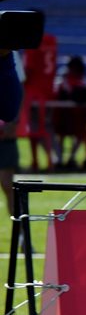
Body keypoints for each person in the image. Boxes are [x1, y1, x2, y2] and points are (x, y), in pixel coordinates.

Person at [21, 22, 57, 171]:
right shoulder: (51, 40)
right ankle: (50, 159)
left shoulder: (32, 42)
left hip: (34, 93)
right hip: (48, 90)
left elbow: (28, 70)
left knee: (35, 129)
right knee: (47, 127)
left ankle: (40, 160)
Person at [53, 55, 86, 170]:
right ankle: (61, 158)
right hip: (64, 122)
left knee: (82, 132)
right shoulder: (65, 82)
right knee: (77, 131)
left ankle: (67, 158)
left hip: (76, 123)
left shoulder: (79, 83)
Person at [0, 49, 20, 218]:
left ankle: (21, 235)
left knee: (8, 184)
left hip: (3, 130)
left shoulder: (9, 51)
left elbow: (19, 87)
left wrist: (13, 122)